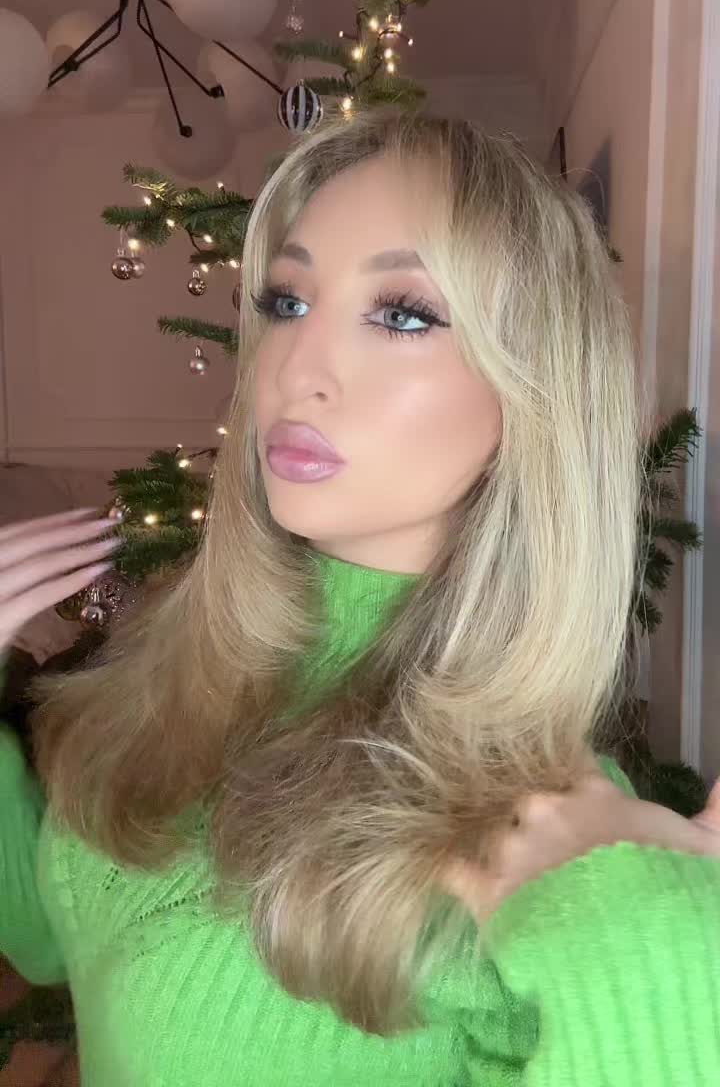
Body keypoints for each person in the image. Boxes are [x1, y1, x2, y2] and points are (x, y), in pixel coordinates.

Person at [1, 109, 719, 1086]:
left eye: (403, 314)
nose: (295, 369)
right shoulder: (173, 656)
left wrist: (647, 943)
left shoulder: (546, 825)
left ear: (531, 394)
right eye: (287, 301)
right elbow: (52, 939)